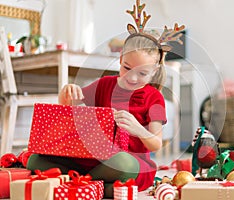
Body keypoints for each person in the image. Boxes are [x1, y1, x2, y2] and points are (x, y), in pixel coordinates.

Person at [26, 0, 184, 198]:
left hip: (128, 163)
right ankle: (101, 187)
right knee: (34, 160)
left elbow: (156, 143)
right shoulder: (105, 84)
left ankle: (81, 184)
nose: (132, 78)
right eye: (127, 68)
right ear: (120, 60)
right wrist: (67, 92)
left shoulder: (155, 98)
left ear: (154, 72)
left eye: (142, 73)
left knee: (122, 164)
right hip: (92, 160)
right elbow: (70, 108)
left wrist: (136, 128)